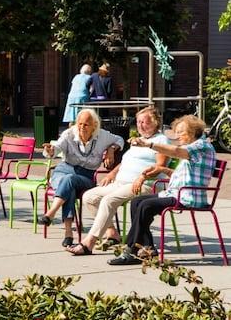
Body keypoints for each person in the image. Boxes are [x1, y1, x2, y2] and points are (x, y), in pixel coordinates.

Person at [108, 115, 216, 265]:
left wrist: (149, 145)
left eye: (181, 132)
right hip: (177, 192)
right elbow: (183, 175)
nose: (177, 136)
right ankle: (148, 249)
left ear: (193, 132)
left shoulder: (201, 146)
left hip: (188, 196)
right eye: (176, 132)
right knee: (137, 202)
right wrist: (163, 169)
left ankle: (131, 250)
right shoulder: (194, 147)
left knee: (146, 206)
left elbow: (176, 152)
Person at [66, 107, 169, 255]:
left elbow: (160, 166)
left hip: (144, 185)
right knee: (89, 197)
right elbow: (126, 161)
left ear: (155, 123)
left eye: (144, 122)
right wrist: (112, 173)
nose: (139, 125)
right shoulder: (138, 140)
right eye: (138, 121)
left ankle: (89, 243)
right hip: (121, 183)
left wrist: (142, 177)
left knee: (108, 200)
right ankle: (112, 233)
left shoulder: (161, 140)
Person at [39, 109, 124, 247]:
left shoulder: (102, 135)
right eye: (79, 124)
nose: (81, 127)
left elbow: (120, 139)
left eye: (86, 125)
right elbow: (57, 148)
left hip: (86, 176)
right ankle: (68, 233)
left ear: (94, 126)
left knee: (69, 181)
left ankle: (51, 213)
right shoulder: (69, 134)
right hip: (63, 171)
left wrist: (111, 149)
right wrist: (50, 151)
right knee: (69, 186)